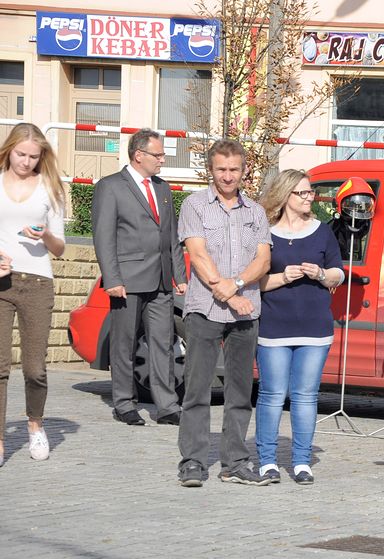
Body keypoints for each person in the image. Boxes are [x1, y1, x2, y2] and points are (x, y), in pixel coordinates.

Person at [176, 139, 271, 487]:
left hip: (246, 314)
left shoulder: (256, 212)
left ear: (243, 170)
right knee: (197, 390)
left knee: (240, 393)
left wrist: (239, 283)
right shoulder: (195, 205)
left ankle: (235, 461)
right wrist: (230, 295)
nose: (228, 176)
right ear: (210, 170)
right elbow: (198, 257)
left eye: (234, 169)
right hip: (205, 310)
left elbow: (263, 260)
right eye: (221, 169)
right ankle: (193, 461)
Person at [254, 170, 345, 485]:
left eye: (310, 193)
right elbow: (255, 280)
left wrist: (321, 274)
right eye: (304, 193)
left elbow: (339, 274)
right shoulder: (264, 232)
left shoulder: (323, 231)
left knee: (306, 396)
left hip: (315, 327)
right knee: (271, 394)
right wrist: (284, 277)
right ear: (286, 196)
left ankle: (302, 462)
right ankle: (267, 461)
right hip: (274, 325)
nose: (310, 198)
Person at [92, 129, 187, 427]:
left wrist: (179, 276)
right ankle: (123, 402)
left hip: (160, 281)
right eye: (157, 155)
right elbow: (103, 237)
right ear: (139, 155)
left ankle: (167, 405)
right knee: (125, 343)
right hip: (127, 281)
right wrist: (112, 278)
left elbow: (171, 236)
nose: (162, 160)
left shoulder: (163, 189)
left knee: (163, 343)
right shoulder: (110, 187)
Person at [0, 123, 65, 465]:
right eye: (20, 154)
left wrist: (44, 236)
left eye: (33, 156)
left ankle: (35, 424)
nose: (25, 162)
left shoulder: (50, 188)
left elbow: (60, 248)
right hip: (1, 284)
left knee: (35, 367)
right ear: (9, 149)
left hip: (38, 282)